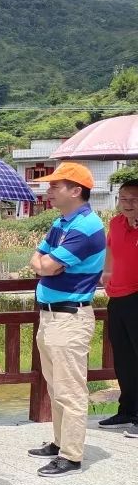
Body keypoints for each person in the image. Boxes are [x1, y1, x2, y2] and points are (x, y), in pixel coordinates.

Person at [26, 162, 106, 477]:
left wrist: (43, 264)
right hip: (52, 316)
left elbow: (46, 265)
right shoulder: (63, 222)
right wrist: (43, 263)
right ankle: (60, 443)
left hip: (69, 317)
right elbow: (39, 259)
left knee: (70, 388)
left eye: (56, 185)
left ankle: (71, 455)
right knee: (55, 384)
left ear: (76, 190)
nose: (49, 190)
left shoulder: (86, 227)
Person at [100, 179, 138, 431]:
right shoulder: (115, 223)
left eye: (134, 199)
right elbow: (110, 254)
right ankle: (127, 410)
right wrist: (107, 277)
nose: (127, 204)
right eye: (123, 198)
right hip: (118, 298)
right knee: (123, 359)